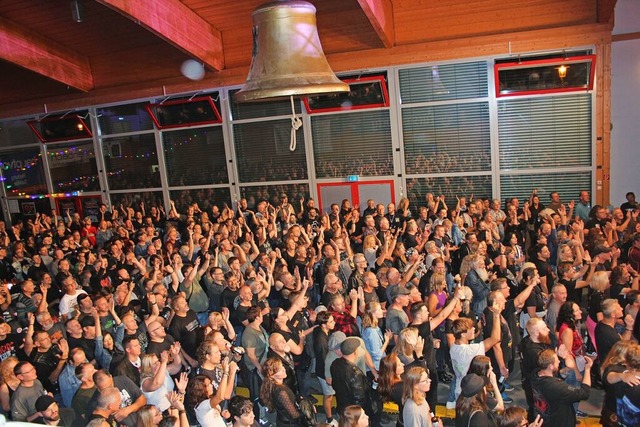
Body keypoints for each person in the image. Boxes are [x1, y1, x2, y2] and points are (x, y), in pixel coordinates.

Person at [531, 349, 593, 427]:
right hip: (558, 422)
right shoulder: (557, 387)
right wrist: (587, 369)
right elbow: (584, 393)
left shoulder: (535, 374)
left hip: (544, 418)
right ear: (550, 366)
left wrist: (568, 368)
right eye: (557, 360)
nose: (559, 362)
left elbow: (555, 376)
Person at [330, 337, 381, 426]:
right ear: (355, 352)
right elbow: (359, 399)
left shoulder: (335, 364)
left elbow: (334, 385)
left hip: (342, 406)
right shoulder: (355, 373)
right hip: (354, 413)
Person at [259, 358, 303, 427]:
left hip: (282, 421)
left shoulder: (275, 385)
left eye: (282, 366)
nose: (283, 369)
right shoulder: (281, 392)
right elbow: (294, 415)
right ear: (272, 375)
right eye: (279, 370)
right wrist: (306, 412)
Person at [377, 353, 405, 427]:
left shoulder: (392, 384)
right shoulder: (400, 387)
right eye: (399, 364)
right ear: (392, 370)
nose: (403, 364)